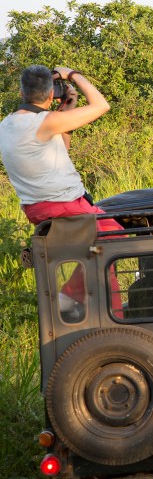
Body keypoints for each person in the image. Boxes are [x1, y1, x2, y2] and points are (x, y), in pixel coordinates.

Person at [0, 65, 124, 316]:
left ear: (22, 92)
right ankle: (71, 298)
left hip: (38, 207)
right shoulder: (43, 122)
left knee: (104, 248)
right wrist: (74, 74)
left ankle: (91, 307)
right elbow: (102, 105)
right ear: (49, 94)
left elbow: (59, 147)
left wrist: (66, 108)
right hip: (63, 203)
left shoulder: (8, 124)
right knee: (114, 238)